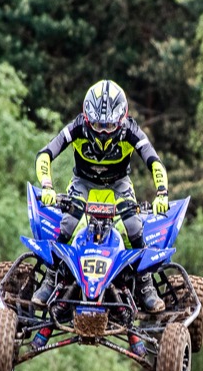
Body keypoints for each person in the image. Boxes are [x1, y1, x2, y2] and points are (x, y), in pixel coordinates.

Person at [32, 79, 168, 312]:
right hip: (83, 182)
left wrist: (162, 193)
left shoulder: (132, 131)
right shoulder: (76, 127)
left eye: (109, 125)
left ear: (122, 119)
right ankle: (51, 278)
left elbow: (154, 161)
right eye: (97, 124)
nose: (103, 131)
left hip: (119, 184)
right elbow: (45, 154)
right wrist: (47, 186)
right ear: (87, 118)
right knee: (68, 223)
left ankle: (145, 285)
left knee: (134, 226)